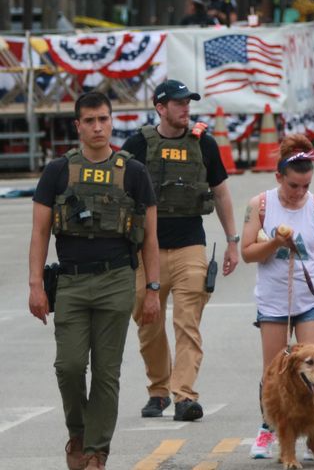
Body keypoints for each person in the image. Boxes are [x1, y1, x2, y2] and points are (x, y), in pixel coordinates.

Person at [28, 91, 162, 470]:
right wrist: (35, 284)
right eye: (90, 120)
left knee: (107, 371)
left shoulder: (133, 172)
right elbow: (39, 233)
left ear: (112, 120)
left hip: (117, 280)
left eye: (103, 118)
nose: (98, 126)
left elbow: (150, 237)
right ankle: (79, 432)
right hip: (69, 283)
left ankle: (95, 453)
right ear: (78, 126)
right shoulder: (57, 171)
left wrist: (152, 289)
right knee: (68, 367)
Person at [119, 79, 240, 423]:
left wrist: (232, 242)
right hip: (146, 251)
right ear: (160, 107)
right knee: (148, 321)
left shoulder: (204, 144)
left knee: (188, 322)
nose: (185, 108)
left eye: (188, 102)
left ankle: (184, 395)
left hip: (190, 245)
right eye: (177, 102)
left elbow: (220, 193)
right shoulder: (139, 144)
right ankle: (158, 390)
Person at [241, 134, 314, 459]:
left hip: (311, 300)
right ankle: (268, 427)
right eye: (294, 186)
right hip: (274, 301)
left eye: (305, 186)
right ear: (279, 177)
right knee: (275, 372)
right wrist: (275, 244)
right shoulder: (260, 205)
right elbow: (248, 253)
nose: (299, 193)